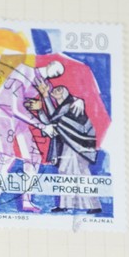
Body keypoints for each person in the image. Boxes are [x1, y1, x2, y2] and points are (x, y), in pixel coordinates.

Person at [0, 59, 69, 213]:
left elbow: (48, 108)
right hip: (3, 115)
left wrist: (72, 102)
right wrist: (42, 126)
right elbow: (16, 108)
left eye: (58, 74)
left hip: (19, 119)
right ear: (50, 65)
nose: (56, 75)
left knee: (34, 157)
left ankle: (27, 201)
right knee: (6, 156)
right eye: (56, 70)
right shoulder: (23, 71)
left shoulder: (43, 83)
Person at [27, 82, 101, 214]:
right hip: (69, 144)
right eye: (55, 89)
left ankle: (93, 204)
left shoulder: (72, 104)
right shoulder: (62, 108)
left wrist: (45, 100)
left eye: (60, 89)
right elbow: (52, 120)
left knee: (79, 172)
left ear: (65, 93)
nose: (56, 90)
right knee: (67, 172)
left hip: (77, 144)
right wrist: (42, 105)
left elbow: (56, 121)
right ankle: (66, 204)